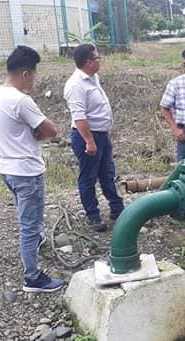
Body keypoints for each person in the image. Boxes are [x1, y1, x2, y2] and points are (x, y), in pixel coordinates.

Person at [0, 46, 64, 293]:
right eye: (33, 73)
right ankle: (33, 278)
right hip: (27, 172)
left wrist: (35, 132)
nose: (35, 78)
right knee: (29, 224)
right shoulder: (21, 100)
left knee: (29, 221)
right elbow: (52, 131)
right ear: (24, 73)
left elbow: (22, 130)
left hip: (8, 169)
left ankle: (34, 245)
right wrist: (40, 132)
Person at [64, 43, 124, 231]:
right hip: (87, 137)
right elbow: (79, 116)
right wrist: (89, 141)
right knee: (88, 177)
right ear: (88, 62)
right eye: (97, 58)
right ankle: (93, 215)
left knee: (107, 173)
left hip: (101, 134)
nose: (99, 61)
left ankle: (117, 208)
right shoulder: (76, 85)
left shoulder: (93, 78)